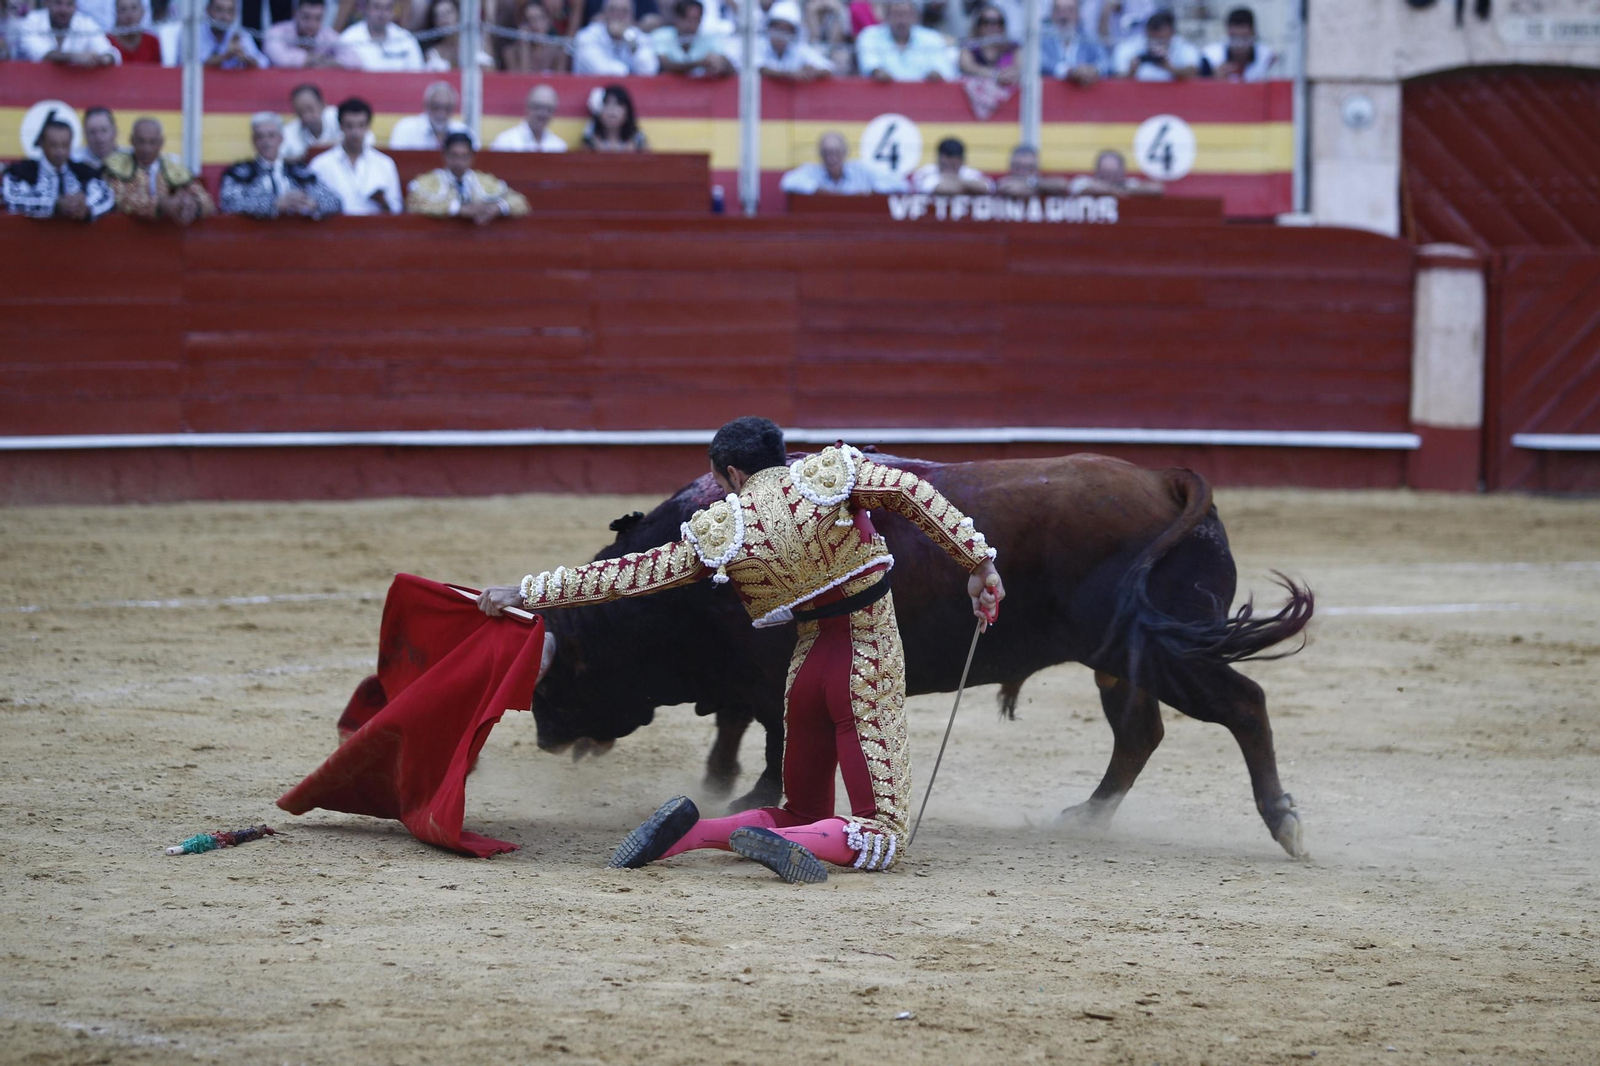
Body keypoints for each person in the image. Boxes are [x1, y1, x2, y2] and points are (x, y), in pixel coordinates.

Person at [476, 417, 1005, 883]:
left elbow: (629, 575)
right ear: (777, 454)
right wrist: (978, 564)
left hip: (803, 674)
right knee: (883, 834)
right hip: (864, 663)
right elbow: (912, 492)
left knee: (799, 810)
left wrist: (528, 592)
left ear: (728, 473)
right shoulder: (832, 475)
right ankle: (792, 846)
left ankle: (696, 832)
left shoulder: (724, 529)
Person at [220, 111, 343, 218]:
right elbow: (228, 202)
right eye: (260, 136)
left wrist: (313, 203)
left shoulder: (299, 172)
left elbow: (334, 201)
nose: (266, 141)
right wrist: (274, 204)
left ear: (281, 138)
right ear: (253, 140)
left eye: (271, 135)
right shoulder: (240, 173)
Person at [2, 114, 115, 221]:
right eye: (53, 145)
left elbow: (106, 195)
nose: (59, 151)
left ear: (71, 144)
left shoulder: (84, 172)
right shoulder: (22, 171)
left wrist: (86, 208)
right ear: (42, 144)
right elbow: (12, 198)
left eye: (64, 145)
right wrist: (55, 205)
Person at [103, 117, 215, 224]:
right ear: (132, 141)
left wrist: (193, 205)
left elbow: (207, 201)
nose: (147, 148)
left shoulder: (174, 169)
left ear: (161, 142)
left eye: (153, 142)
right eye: (141, 141)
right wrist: (161, 204)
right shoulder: (118, 167)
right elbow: (120, 199)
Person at [307, 97, 403, 214]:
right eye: (349, 126)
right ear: (340, 126)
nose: (355, 132)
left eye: (361, 125)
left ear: (368, 126)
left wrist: (383, 202)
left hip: (376, 230)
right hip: (335, 231)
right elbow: (311, 207)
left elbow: (397, 209)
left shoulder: (385, 164)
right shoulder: (320, 164)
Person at [406, 131, 530, 221]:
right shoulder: (429, 181)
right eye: (454, 155)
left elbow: (521, 203)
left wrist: (497, 208)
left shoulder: (485, 182)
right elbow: (413, 203)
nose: (459, 162)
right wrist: (458, 209)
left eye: (464, 156)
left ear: (472, 157)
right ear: (445, 155)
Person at [727, 0, 830, 81]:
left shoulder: (798, 49)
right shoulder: (757, 45)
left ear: (793, 33)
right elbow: (757, 67)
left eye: (786, 29)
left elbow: (828, 67)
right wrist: (790, 74)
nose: (781, 34)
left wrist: (813, 71)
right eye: (778, 28)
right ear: (770, 27)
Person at [779, 130, 906, 196]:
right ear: (820, 155)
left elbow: (901, 184)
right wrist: (821, 191)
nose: (831, 158)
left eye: (836, 152)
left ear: (845, 153)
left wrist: (869, 192)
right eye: (826, 153)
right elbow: (787, 182)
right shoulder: (812, 170)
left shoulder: (860, 169)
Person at [855, 0, 951, 83]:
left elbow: (943, 71)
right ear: (886, 16)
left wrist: (935, 75)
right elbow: (871, 67)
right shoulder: (869, 35)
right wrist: (878, 73)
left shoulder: (931, 38)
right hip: (882, 98)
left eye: (907, 14)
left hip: (924, 98)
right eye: (897, 14)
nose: (902, 20)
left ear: (915, 16)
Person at [15, 0, 120, 64]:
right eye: (58, 3)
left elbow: (111, 53)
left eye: (69, 4)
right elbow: (41, 54)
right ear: (47, 3)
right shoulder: (32, 21)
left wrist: (102, 59)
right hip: (33, 88)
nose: (63, 10)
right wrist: (76, 57)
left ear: (75, 6)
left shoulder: (85, 23)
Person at [571, 0, 658, 75]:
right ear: (603, 14)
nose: (618, 16)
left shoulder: (636, 36)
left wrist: (630, 41)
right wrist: (629, 72)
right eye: (613, 10)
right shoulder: (586, 36)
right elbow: (602, 70)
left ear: (631, 17)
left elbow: (649, 69)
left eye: (624, 11)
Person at [265, 0, 360, 68]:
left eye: (318, 18)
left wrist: (330, 62)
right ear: (296, 14)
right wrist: (311, 59)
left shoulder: (327, 35)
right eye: (306, 17)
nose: (311, 24)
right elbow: (281, 59)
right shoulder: (277, 32)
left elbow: (354, 60)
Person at [1111, 9, 1197, 81]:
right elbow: (1116, 79)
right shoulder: (1129, 47)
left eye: (1161, 39)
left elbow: (1194, 73)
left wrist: (1169, 68)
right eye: (1152, 38)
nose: (1156, 42)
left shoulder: (1183, 47)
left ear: (1172, 33)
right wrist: (1131, 72)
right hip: (1137, 96)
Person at [650, 0, 729, 78]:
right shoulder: (661, 35)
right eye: (687, 19)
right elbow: (666, 65)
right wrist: (699, 63)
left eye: (696, 20)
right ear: (677, 18)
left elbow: (729, 66)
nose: (691, 25)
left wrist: (721, 64)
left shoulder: (710, 38)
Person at [388, 81, 474, 150]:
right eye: (436, 107)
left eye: (447, 108)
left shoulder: (464, 132)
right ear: (426, 105)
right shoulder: (406, 129)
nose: (442, 112)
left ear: (453, 109)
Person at [340, 0, 423, 69]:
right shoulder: (349, 38)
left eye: (388, 8)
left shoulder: (406, 39)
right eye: (377, 7)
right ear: (366, 9)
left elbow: (417, 73)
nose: (382, 13)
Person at [1038, 0, 1106, 84]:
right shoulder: (1042, 38)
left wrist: (1094, 70)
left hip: (1084, 93)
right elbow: (1039, 61)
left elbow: (1106, 62)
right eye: (1058, 10)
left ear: (1078, 14)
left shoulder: (1088, 38)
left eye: (1070, 10)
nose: (1064, 15)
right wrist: (1069, 72)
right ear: (1052, 14)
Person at [1201, 6, 1274, 81]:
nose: (1239, 45)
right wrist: (1213, 76)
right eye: (1234, 38)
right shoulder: (1211, 56)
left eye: (1244, 38)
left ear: (1253, 33)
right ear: (1228, 33)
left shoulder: (1266, 56)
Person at [188, 0, 269, 67]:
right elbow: (191, 66)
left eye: (229, 11)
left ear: (235, 14)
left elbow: (264, 63)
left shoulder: (239, 35)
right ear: (208, 10)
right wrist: (226, 56)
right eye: (219, 9)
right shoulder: (194, 33)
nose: (224, 16)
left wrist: (245, 58)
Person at [490, 84, 568, 151]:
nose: (542, 114)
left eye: (548, 109)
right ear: (527, 107)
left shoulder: (559, 146)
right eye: (537, 107)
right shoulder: (505, 142)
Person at [421, 0, 494, 70]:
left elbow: (493, 73)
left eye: (448, 13)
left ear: (458, 15)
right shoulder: (432, 54)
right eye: (438, 15)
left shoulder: (479, 45)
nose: (443, 19)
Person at [910, 136, 994, 194]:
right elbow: (942, 189)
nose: (950, 167)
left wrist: (952, 179)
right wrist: (968, 187)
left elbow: (986, 187)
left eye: (954, 164)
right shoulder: (925, 172)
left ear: (962, 161)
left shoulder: (970, 173)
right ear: (939, 158)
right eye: (946, 164)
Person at [499, 0, 567, 72]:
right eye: (529, 20)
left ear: (548, 21)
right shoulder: (510, 53)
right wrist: (524, 47)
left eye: (540, 18)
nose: (535, 25)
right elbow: (520, 81)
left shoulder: (558, 53)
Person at [581, 84, 648, 152]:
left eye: (618, 104)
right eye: (607, 103)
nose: (612, 110)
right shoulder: (590, 140)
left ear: (627, 111)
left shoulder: (638, 141)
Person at [1067, 147, 1162, 196]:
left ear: (1121, 172)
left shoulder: (1129, 184)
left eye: (1113, 174)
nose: (1110, 178)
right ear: (1097, 172)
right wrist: (1116, 191)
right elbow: (1082, 188)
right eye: (1105, 174)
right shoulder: (1083, 182)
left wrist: (1120, 190)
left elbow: (1156, 189)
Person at [958, 4, 1016, 83]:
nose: (992, 26)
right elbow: (967, 66)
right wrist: (995, 75)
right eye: (986, 22)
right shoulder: (969, 47)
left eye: (998, 22)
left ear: (1003, 25)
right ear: (978, 25)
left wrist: (1011, 74)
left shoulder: (1013, 47)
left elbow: (1020, 68)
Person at [994, 142, 1068, 197]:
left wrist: (1030, 184)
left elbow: (1062, 184)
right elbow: (1011, 191)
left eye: (1028, 167)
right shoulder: (1004, 182)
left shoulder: (1042, 180)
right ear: (1011, 166)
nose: (1023, 171)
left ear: (1036, 167)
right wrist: (1040, 189)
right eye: (1019, 167)